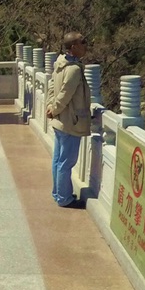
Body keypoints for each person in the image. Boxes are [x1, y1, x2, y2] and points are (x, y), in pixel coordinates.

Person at [46, 32, 92, 208]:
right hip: (70, 121)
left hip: (61, 120)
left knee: (58, 161)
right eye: (82, 42)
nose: (85, 45)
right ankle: (65, 198)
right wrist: (55, 108)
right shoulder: (73, 69)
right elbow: (65, 94)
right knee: (66, 162)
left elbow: (52, 86)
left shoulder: (59, 64)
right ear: (73, 47)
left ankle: (59, 193)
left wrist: (51, 107)